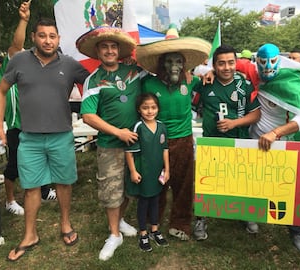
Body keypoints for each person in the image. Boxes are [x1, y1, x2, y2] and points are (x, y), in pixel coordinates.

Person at [0, 17, 90, 261]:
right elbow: (1, 91)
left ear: (59, 39)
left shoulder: (69, 65)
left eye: (52, 36)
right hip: (30, 138)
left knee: (64, 183)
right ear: (34, 37)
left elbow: (95, 83)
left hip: (61, 136)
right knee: (31, 187)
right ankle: (30, 235)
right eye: (43, 35)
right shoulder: (19, 61)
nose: (48, 40)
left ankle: (66, 224)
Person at [136, 24, 211, 241]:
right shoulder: (148, 82)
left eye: (178, 61)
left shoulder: (192, 81)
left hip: (184, 140)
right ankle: (153, 222)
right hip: (156, 141)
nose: (174, 66)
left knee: (183, 183)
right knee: (156, 182)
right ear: (161, 64)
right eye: (169, 61)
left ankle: (180, 223)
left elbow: (210, 82)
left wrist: (210, 73)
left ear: (184, 64)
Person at [77, 26, 141, 261]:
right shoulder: (94, 79)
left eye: (114, 46)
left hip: (135, 144)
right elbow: (88, 116)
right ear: (98, 51)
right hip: (110, 145)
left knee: (127, 188)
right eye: (104, 46)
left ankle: (121, 220)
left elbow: (160, 73)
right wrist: (118, 132)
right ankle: (114, 234)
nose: (110, 50)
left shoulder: (134, 71)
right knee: (110, 189)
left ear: (119, 50)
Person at [191, 45, 261, 240]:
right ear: (214, 65)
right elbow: (190, 100)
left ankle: (245, 214)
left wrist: (234, 123)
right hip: (212, 142)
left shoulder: (244, 84)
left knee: (241, 180)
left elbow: (256, 113)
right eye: (221, 63)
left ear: (236, 63)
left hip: (239, 142)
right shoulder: (205, 84)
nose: (227, 67)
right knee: (207, 182)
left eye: (231, 62)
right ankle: (201, 218)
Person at [0, 1, 57, 217]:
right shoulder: (15, 61)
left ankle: (44, 190)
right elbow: (15, 44)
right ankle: (10, 201)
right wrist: (23, 19)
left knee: (44, 157)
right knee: (14, 164)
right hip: (18, 125)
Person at [250, 43, 300, 252]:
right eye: (262, 63)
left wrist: (276, 133)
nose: (267, 67)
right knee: (254, 183)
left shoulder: (289, 83)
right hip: (254, 143)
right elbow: (229, 67)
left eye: (271, 62)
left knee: (288, 189)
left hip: (282, 145)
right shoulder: (252, 75)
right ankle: (251, 217)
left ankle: (296, 230)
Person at [125, 93, 170, 252]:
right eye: (145, 108)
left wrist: (167, 169)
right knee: (144, 202)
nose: (149, 111)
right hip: (143, 172)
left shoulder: (162, 126)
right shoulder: (138, 127)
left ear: (158, 108)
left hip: (157, 172)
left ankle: (155, 230)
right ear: (139, 109)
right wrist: (133, 171)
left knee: (156, 200)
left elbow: (165, 149)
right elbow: (129, 152)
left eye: (153, 107)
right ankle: (143, 233)